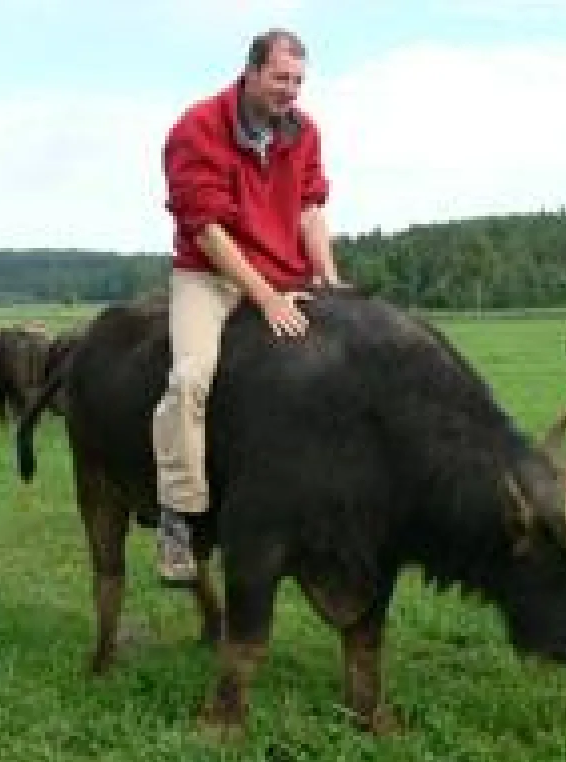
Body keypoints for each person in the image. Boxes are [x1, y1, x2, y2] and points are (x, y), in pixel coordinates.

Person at [152, 29, 346, 587]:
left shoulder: (303, 133)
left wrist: (330, 283)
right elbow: (207, 232)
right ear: (252, 71)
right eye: (281, 79)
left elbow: (310, 212)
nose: (291, 92)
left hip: (286, 272)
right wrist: (263, 297)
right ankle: (179, 517)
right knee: (190, 379)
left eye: (299, 82)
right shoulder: (196, 130)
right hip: (210, 276)